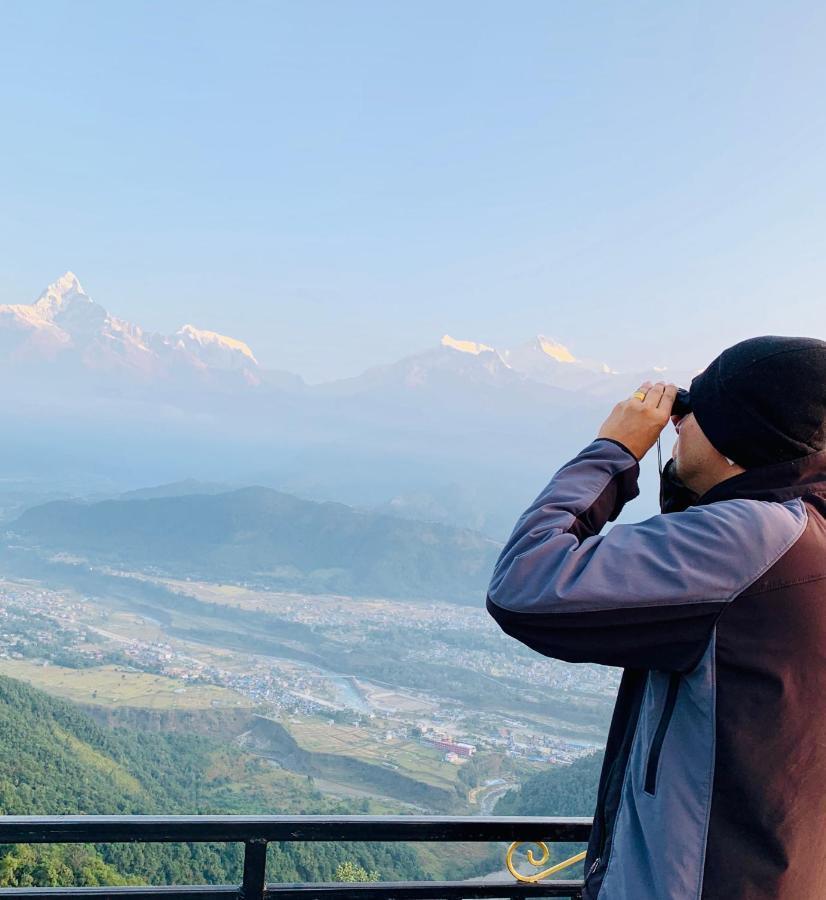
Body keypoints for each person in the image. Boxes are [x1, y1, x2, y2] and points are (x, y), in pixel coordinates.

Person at [486, 335, 826, 899]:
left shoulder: (757, 538)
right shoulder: (804, 538)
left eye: (692, 415)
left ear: (736, 440)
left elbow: (525, 582)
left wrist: (613, 450)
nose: (675, 426)